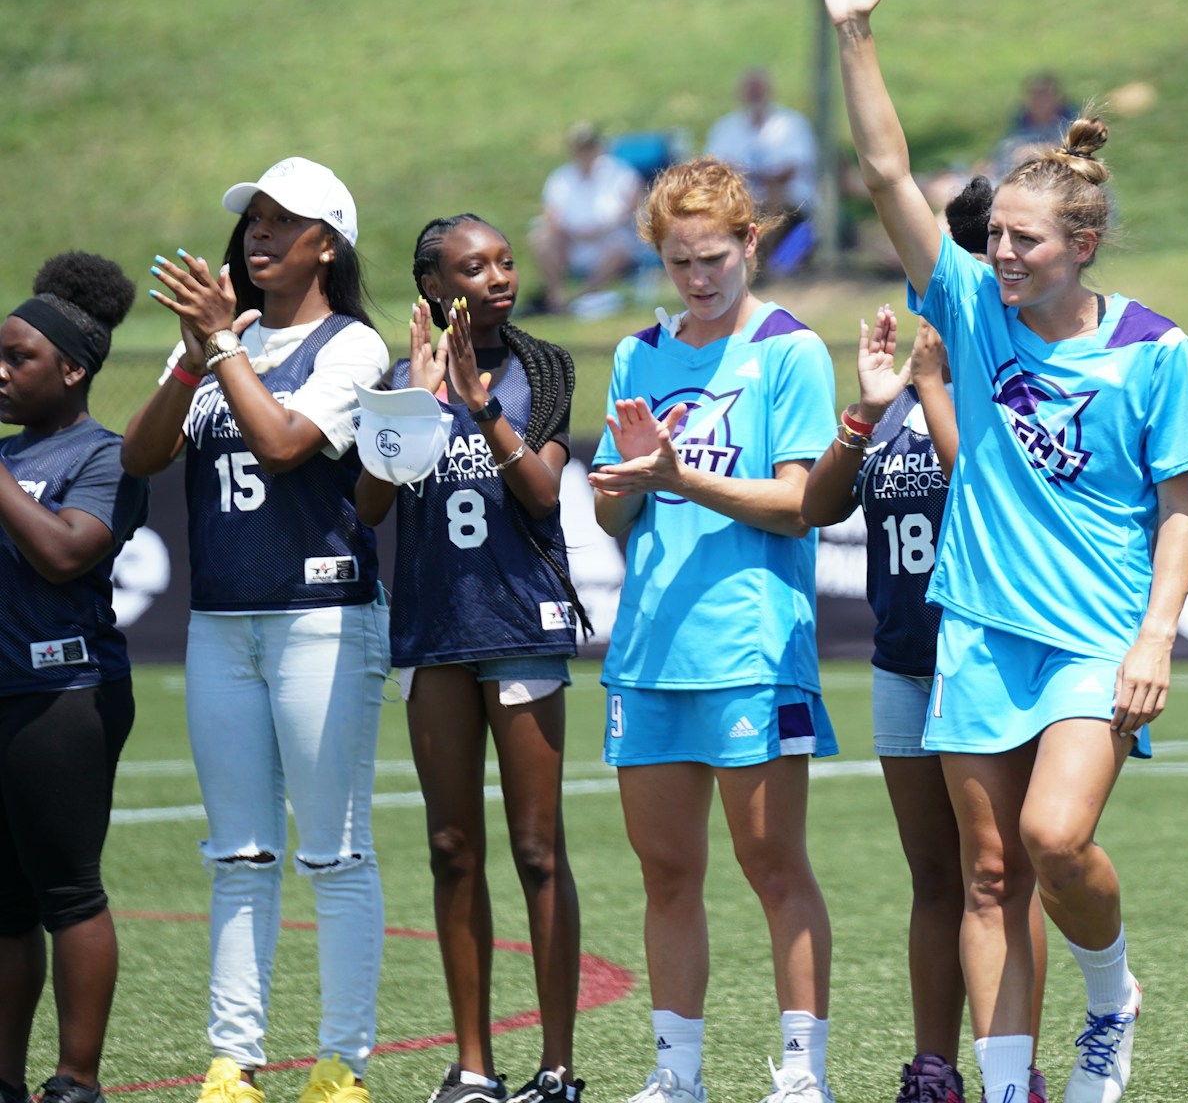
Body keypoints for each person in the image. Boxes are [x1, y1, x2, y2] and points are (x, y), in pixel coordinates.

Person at [817, 0, 1188, 1103]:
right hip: (979, 630)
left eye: (1023, 241)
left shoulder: (1154, 349)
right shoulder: (972, 310)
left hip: (1095, 637)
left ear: (1081, 244)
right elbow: (887, 175)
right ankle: (1005, 1087)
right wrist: (856, 35)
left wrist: (1156, 636)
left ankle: (1110, 990)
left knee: (1052, 838)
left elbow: (1181, 505)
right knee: (986, 876)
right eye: (993, 238)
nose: (1000, 256)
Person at [121, 157, 390, 1103]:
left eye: (283, 221)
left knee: (334, 849)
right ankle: (233, 1061)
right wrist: (194, 354)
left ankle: (341, 1064)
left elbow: (281, 447)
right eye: (254, 221)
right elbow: (141, 454)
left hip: (322, 619)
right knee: (237, 852)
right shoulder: (220, 341)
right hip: (221, 624)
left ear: (329, 245)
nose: (260, 235)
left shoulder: (353, 346)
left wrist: (222, 349)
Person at [589, 159, 839, 1103]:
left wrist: (676, 474)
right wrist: (620, 484)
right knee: (665, 873)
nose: (698, 278)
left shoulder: (790, 353)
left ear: (750, 244)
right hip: (650, 653)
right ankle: (676, 1074)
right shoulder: (637, 355)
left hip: (751, 651)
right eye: (680, 262)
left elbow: (801, 503)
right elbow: (617, 512)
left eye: (714, 258)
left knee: (773, 865)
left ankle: (803, 1074)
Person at [353, 216, 587, 1103]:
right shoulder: (396, 375)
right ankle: (474, 1067)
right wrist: (413, 405)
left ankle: (557, 1069)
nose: (498, 277)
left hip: (520, 623)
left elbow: (543, 493)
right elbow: (370, 506)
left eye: (505, 262)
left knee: (537, 849)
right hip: (434, 629)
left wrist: (478, 403)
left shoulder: (546, 368)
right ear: (433, 286)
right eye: (474, 267)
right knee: (451, 847)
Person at [798, 300, 1051, 1101]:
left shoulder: (1003, 384)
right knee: (933, 876)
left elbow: (982, 488)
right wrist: (864, 411)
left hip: (981, 663)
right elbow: (817, 507)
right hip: (901, 663)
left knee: (1002, 874)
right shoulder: (895, 397)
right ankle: (934, 1068)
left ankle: (1016, 1069)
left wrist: (938, 383)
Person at [0, 254, 148, 1103]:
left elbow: (64, 553)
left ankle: (76, 1081)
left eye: (17, 358)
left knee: (67, 890)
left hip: (63, 694)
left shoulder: (107, 457)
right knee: (4, 904)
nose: (1, 371)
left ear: (72, 369)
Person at [704, 70, 818, 272]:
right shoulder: (725, 128)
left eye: (758, 90)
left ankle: (765, 258)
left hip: (789, 199)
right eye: (751, 90)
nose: (755, 95)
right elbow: (713, 168)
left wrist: (751, 175)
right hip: (740, 195)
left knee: (774, 194)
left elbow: (790, 170)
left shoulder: (791, 124)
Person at [533, 122, 644, 318]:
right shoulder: (561, 178)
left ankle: (585, 294)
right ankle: (556, 296)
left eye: (589, 146)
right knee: (540, 237)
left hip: (611, 237)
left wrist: (604, 227)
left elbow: (637, 204)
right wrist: (571, 232)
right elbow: (551, 214)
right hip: (571, 241)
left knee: (620, 247)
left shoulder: (620, 172)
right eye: (580, 147)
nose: (585, 151)